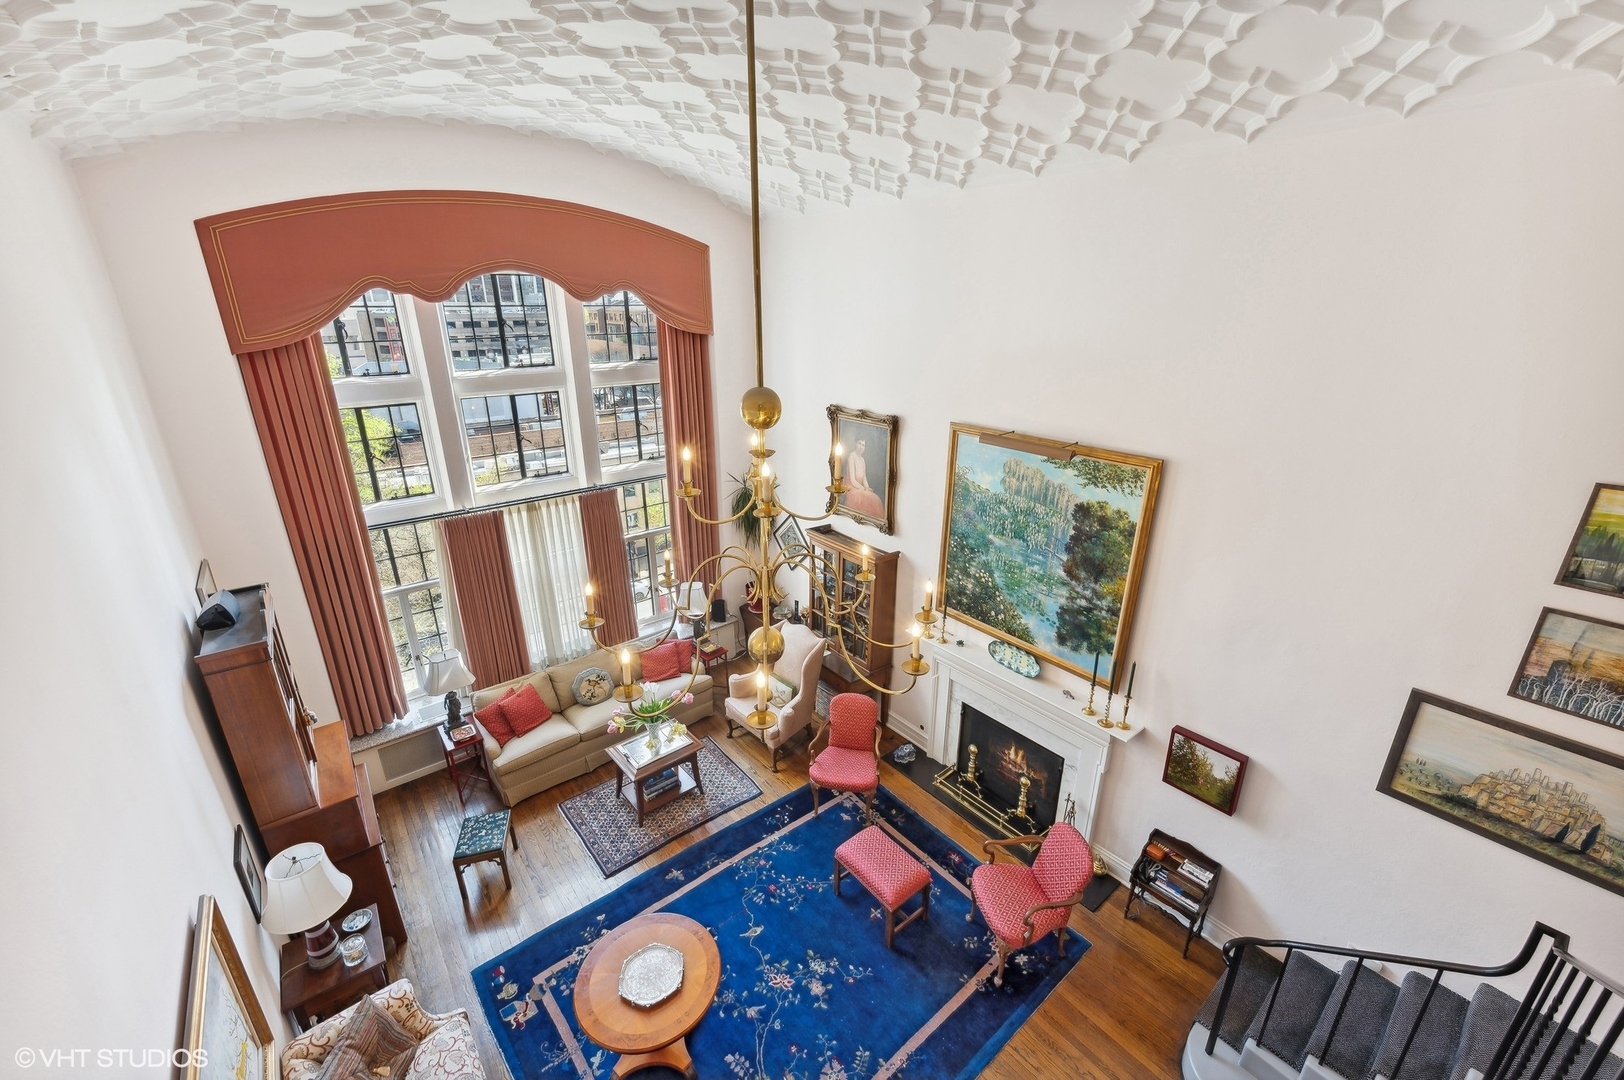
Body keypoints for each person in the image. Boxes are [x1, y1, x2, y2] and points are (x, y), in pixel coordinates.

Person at [842, 436, 886, 519]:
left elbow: (864, 478)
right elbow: (852, 480)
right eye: (859, 443)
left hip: (860, 488)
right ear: (855, 444)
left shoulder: (862, 460)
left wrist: (867, 488)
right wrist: (864, 489)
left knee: (875, 498)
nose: (861, 447)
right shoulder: (852, 456)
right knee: (863, 498)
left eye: (863, 445)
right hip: (852, 487)